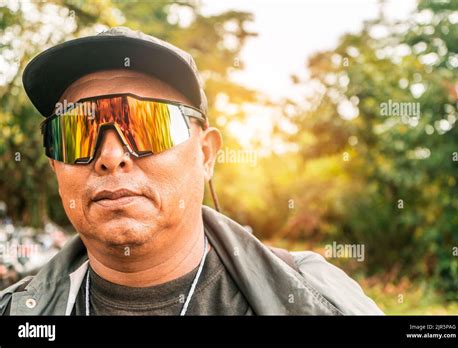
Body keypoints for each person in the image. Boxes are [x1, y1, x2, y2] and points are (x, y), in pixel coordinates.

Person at [0, 27, 382, 315]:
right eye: (76, 133)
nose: (111, 156)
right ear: (54, 164)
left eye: (148, 124)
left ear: (206, 154)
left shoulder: (316, 299)